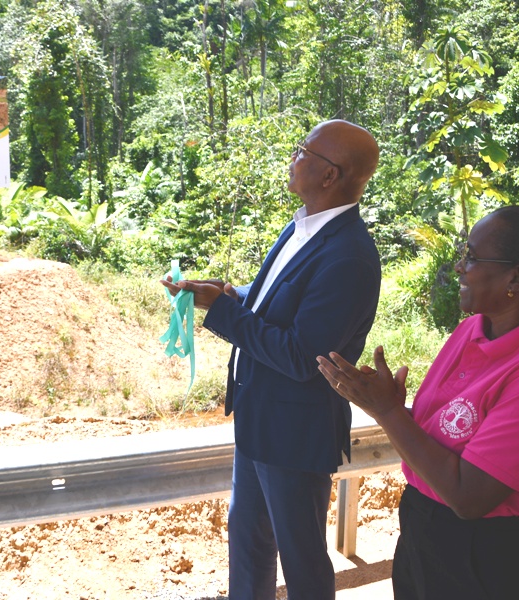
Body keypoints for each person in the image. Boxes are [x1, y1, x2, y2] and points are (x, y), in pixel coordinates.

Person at [317, 205, 519, 599]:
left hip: (487, 556)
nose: (460, 267)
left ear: (517, 277)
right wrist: (384, 403)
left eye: (472, 257)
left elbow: (468, 496)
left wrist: (388, 411)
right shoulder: (473, 329)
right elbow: (446, 436)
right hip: (425, 530)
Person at [161, 119, 382, 599]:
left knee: (301, 561)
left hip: (295, 432)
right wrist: (227, 293)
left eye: (303, 151)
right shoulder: (304, 226)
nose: (293, 158)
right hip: (261, 420)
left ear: (330, 175)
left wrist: (222, 312)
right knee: (249, 543)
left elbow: (303, 356)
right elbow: (276, 301)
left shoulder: (349, 256)